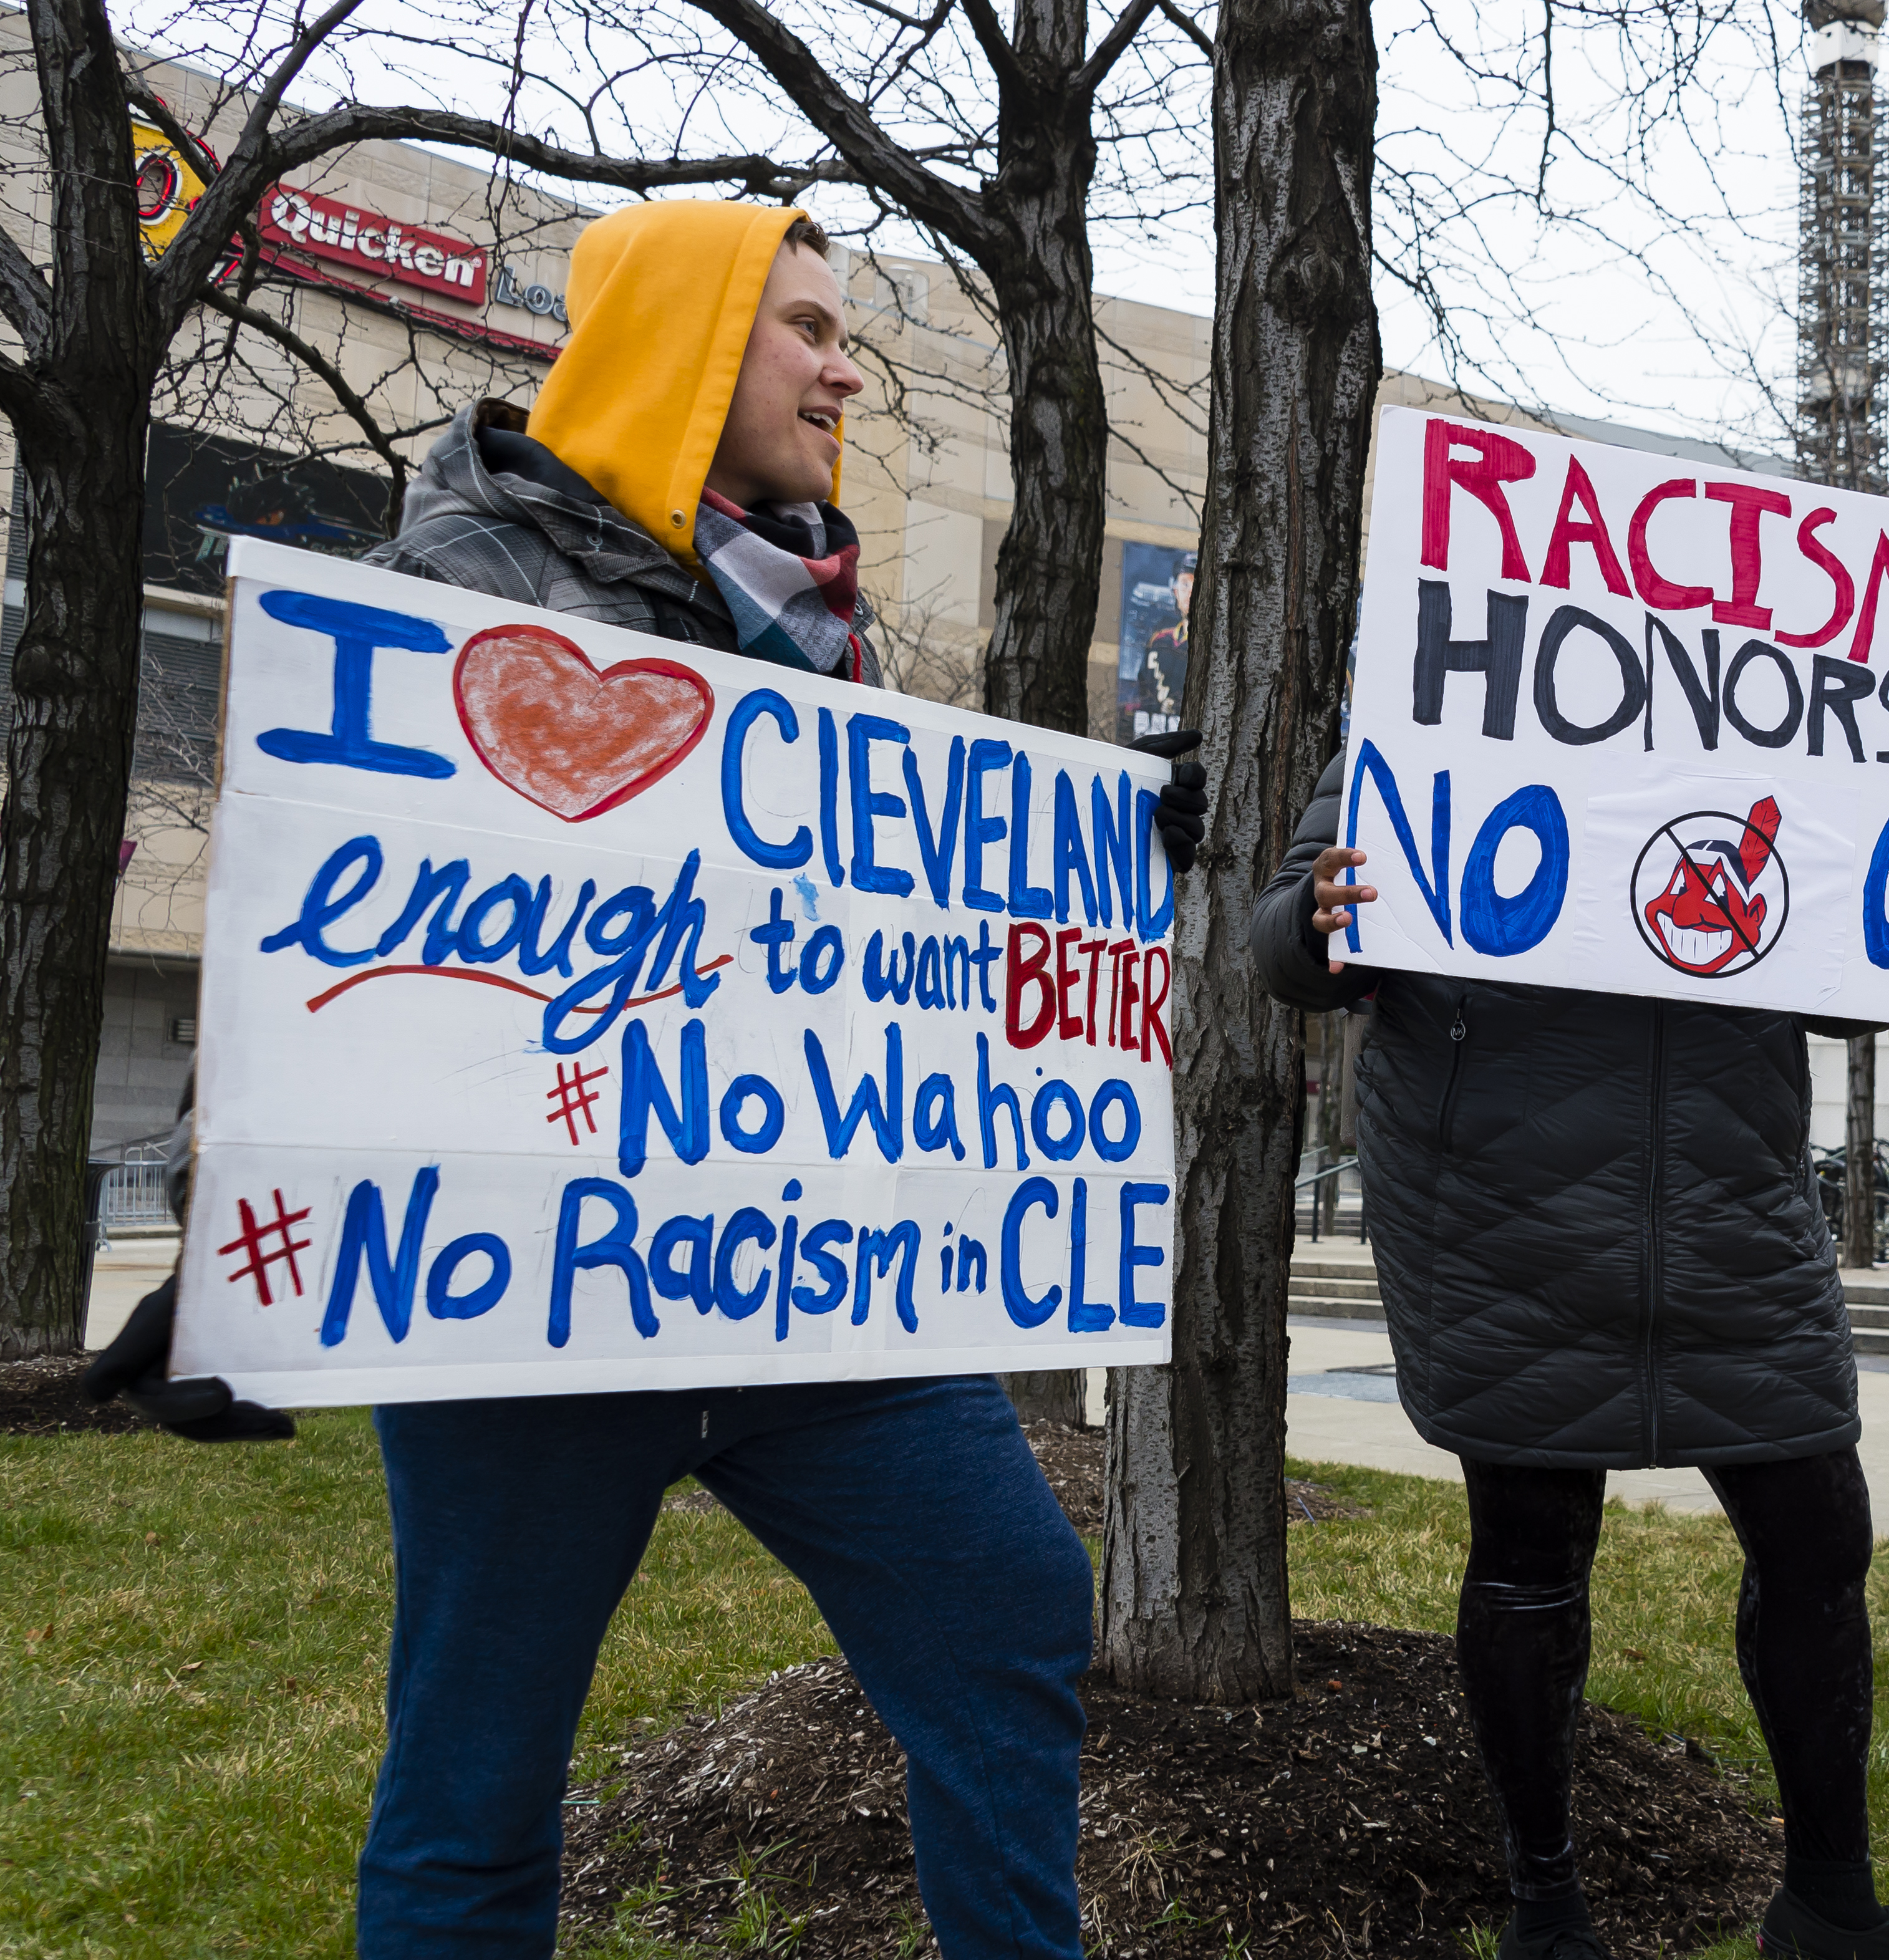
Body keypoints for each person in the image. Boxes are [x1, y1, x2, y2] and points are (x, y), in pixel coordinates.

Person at [83, 200, 1202, 1958]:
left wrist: (1111, 850)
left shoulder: (817, 610)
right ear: (685, 349)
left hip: (809, 1279)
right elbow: (332, 922)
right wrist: (231, 1230)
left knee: (1008, 1601)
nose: (847, 372)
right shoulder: (459, 588)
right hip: (536, 1290)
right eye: (810, 331)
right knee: (475, 1772)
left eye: (850, 336)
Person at [1247, 787, 1889, 1955]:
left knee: (1819, 1541)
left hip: (1732, 1207)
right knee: (1530, 1561)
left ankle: (1829, 1902)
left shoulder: (1779, 733)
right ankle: (1546, 1914)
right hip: (1507, 1211)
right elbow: (1298, 958)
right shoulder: (1441, 700)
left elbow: (1850, 991)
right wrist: (1312, 915)